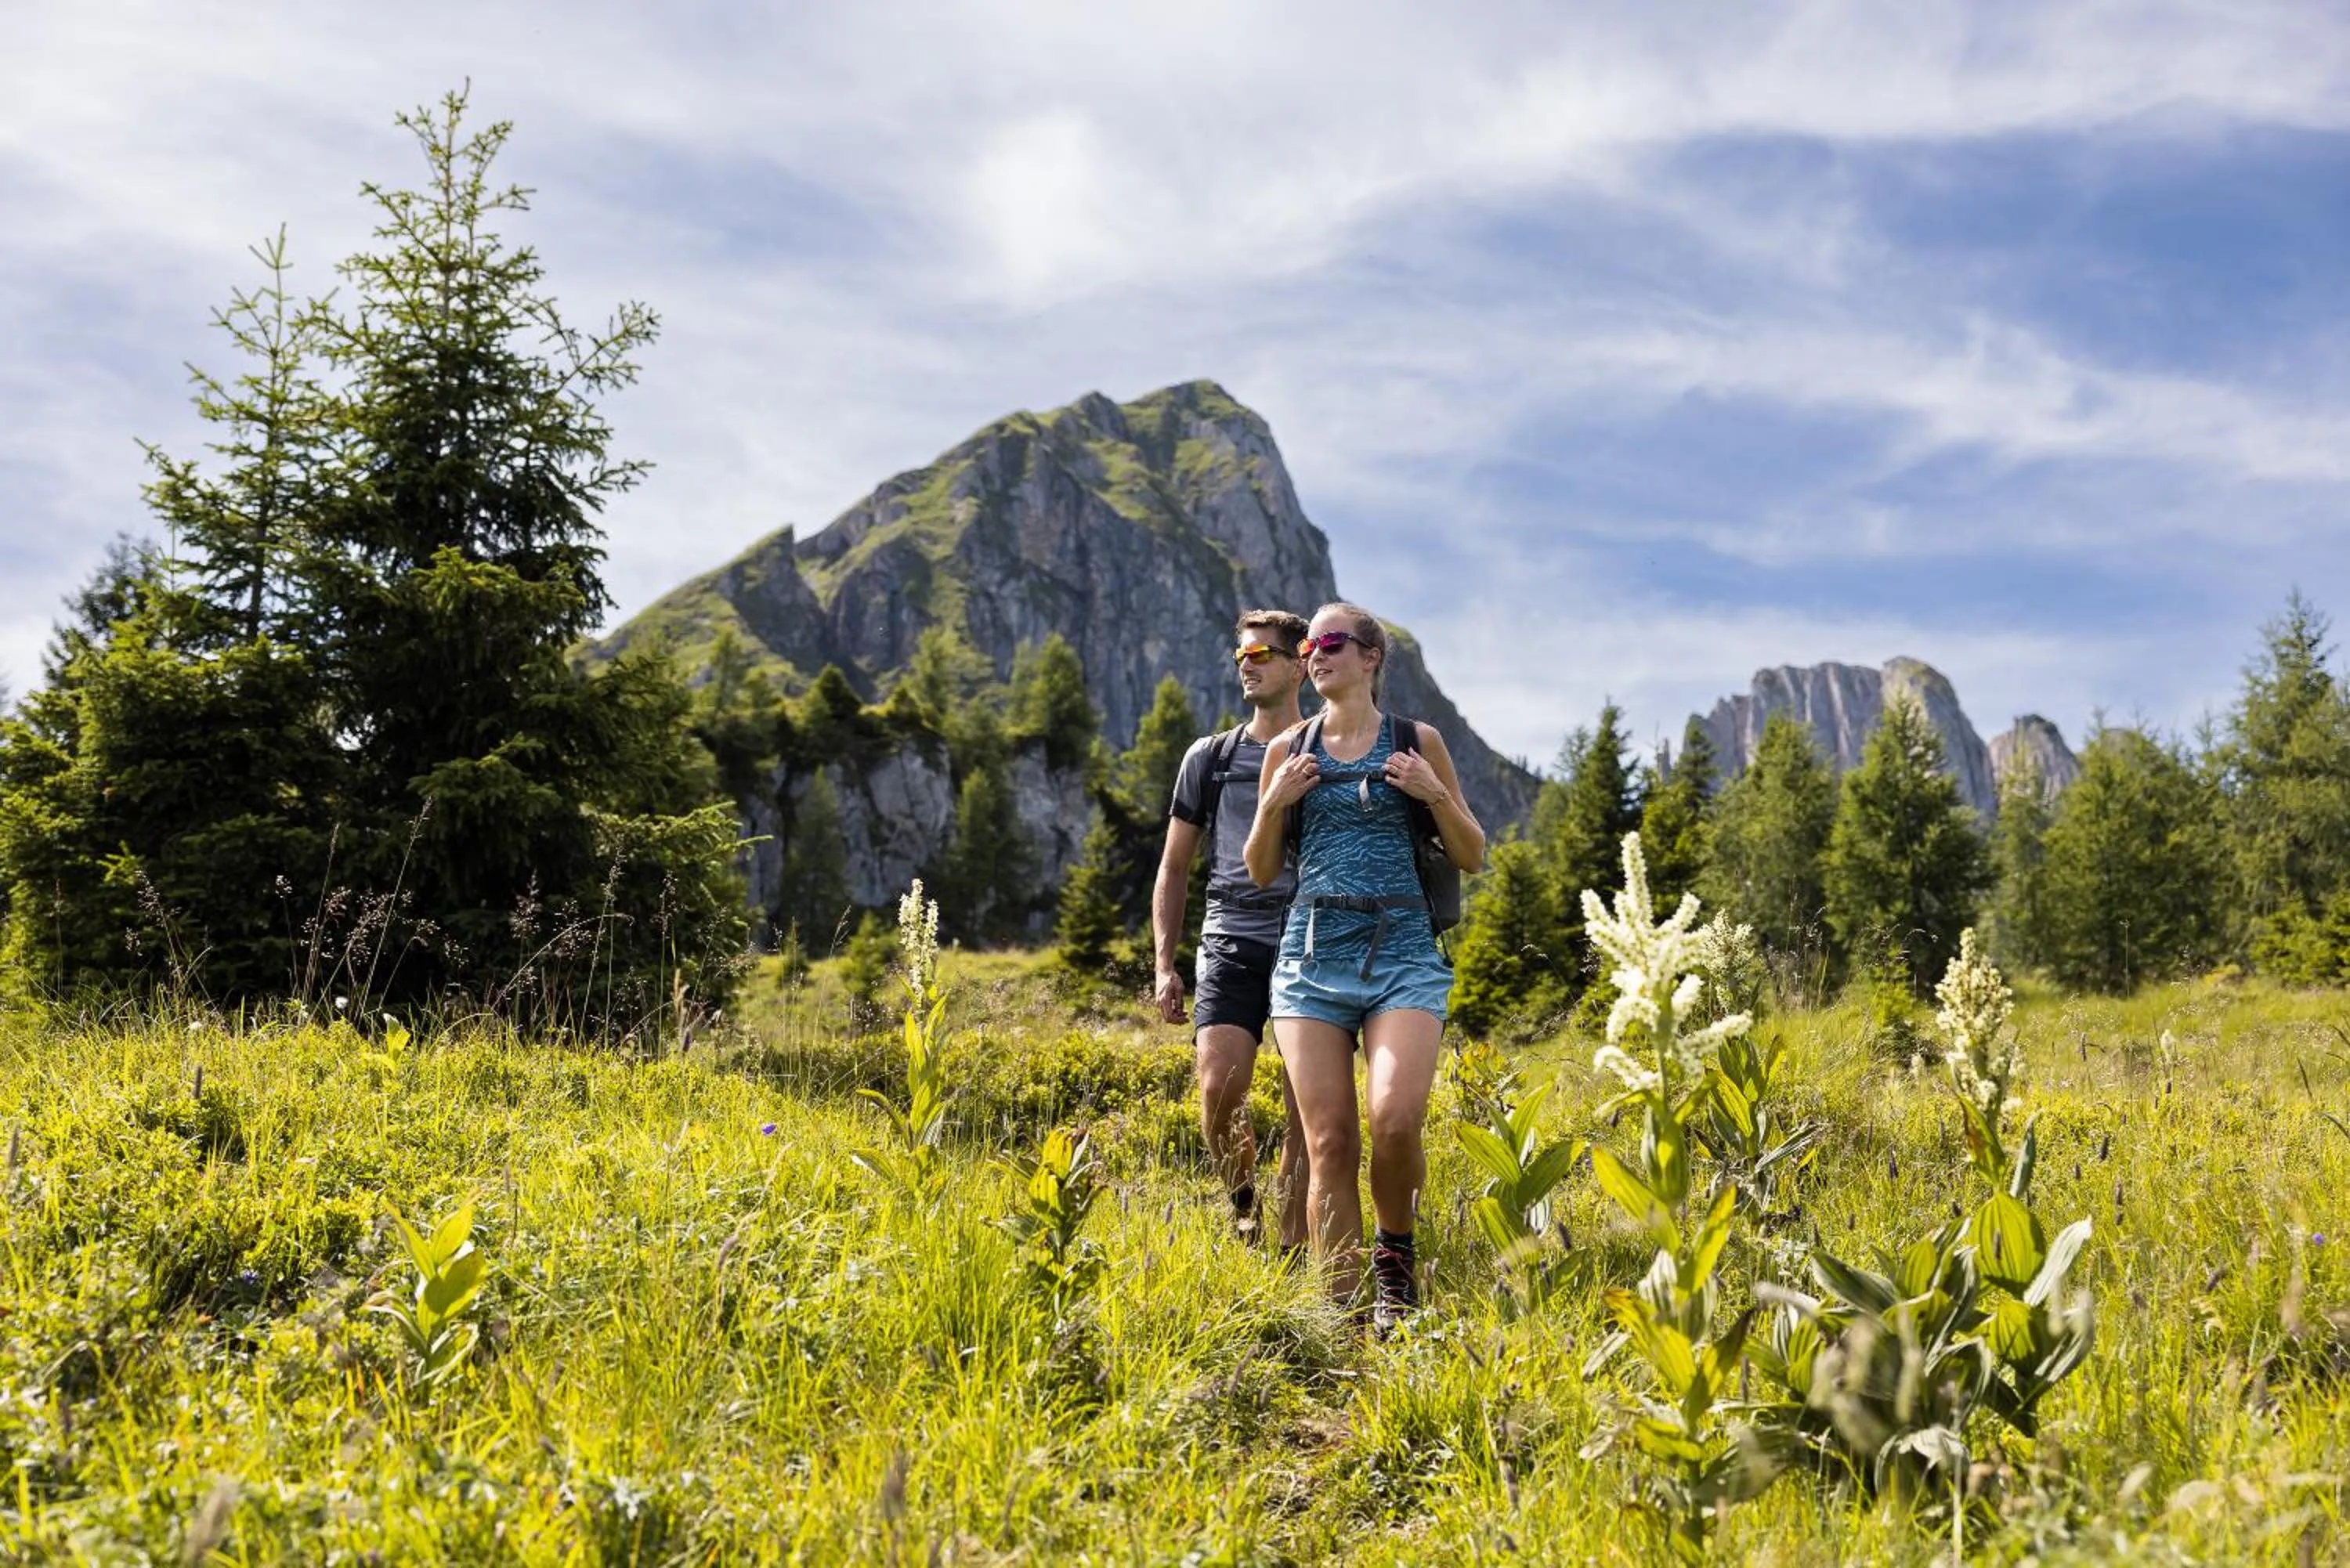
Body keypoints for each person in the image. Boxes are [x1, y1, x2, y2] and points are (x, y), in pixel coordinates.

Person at [1243, 602, 1484, 1330]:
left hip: (1404, 952)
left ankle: (1394, 1265)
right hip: (1312, 957)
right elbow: (1259, 871)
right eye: (1309, 644)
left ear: (1372, 657)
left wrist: (1433, 793)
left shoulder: (1418, 741)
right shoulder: (1287, 750)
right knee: (1328, 1140)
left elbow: (1472, 854)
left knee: (1395, 1118)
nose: (1314, 653)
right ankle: (1342, 1316)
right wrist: (1273, 805)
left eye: (1331, 641)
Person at [1155, 610, 1313, 1248]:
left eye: (1262, 654)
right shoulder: (1210, 757)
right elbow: (1173, 866)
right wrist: (1165, 964)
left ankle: (1294, 1237)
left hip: (1311, 936)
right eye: (1241, 655)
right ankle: (1245, 1211)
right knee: (1219, 1090)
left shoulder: (1328, 746)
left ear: (1299, 663)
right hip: (1230, 934)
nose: (1248, 663)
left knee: (1306, 1104)